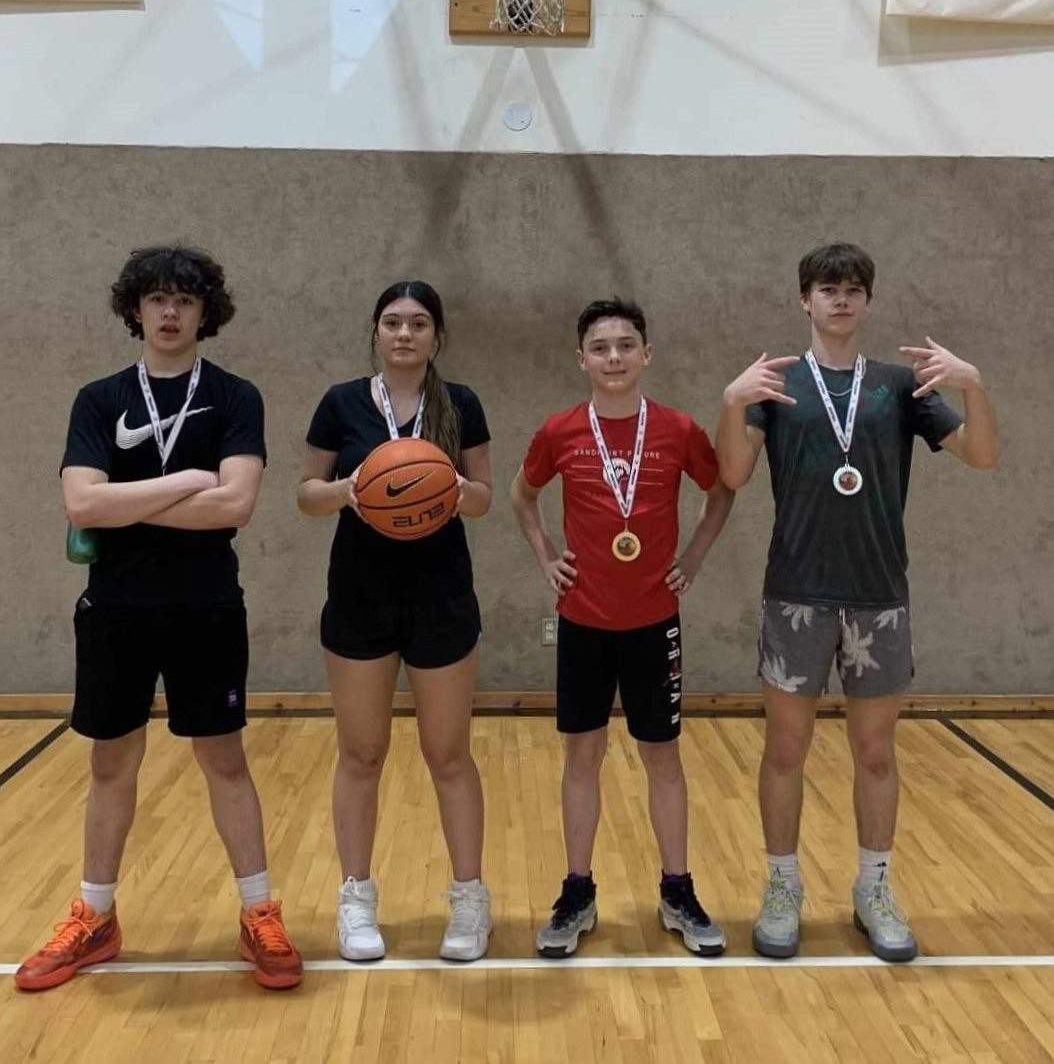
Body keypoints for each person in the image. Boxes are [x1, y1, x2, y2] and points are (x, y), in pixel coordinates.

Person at [16, 245, 302, 992]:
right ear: (134, 309)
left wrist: (130, 502)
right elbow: (81, 504)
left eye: (184, 300)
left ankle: (259, 912)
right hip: (115, 608)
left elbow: (235, 505)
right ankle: (96, 916)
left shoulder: (236, 397)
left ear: (206, 312)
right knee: (111, 763)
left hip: (207, 606)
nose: (169, 312)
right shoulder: (99, 399)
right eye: (156, 300)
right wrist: (185, 482)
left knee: (225, 761)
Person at [717, 242, 998, 963]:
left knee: (875, 752)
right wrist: (731, 401)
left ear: (867, 301)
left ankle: (874, 888)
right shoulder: (776, 384)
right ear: (803, 300)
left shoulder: (900, 385)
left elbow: (983, 455)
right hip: (796, 594)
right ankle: (782, 887)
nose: (839, 300)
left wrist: (974, 384)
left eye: (851, 290)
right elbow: (734, 473)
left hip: (878, 596)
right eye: (826, 289)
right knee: (786, 748)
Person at [510, 298, 734, 958]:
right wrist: (546, 555)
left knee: (661, 757)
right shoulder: (558, 432)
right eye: (601, 347)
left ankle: (677, 888)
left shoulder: (678, 429)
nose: (614, 357)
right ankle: (577, 890)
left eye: (626, 345)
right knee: (583, 757)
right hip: (582, 621)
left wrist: (692, 556)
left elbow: (720, 490)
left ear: (646, 354)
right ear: (582, 359)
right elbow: (522, 496)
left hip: (654, 623)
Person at [297, 281, 492, 962]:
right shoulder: (342, 402)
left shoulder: (460, 403)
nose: (404, 333)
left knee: (448, 754)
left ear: (437, 336)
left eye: (417, 324)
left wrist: (452, 488)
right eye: (392, 323)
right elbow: (305, 494)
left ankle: (469, 901)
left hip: (440, 594)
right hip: (359, 593)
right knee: (361, 753)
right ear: (376, 332)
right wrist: (351, 491)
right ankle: (356, 899)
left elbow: (485, 499)